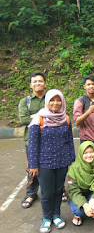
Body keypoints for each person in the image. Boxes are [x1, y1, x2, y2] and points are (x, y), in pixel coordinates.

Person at [28, 89, 75, 232]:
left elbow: (70, 141)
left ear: (62, 101)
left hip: (62, 162)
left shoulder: (65, 119)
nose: (56, 103)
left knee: (58, 190)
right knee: (47, 192)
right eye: (52, 100)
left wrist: (71, 158)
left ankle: (56, 215)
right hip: (45, 163)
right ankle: (47, 218)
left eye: (58, 100)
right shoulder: (39, 119)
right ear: (47, 102)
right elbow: (32, 144)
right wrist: (33, 165)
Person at [18, 72, 46, 209]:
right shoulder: (25, 101)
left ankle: (60, 190)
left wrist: (34, 116)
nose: (37, 83)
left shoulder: (51, 98)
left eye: (40, 81)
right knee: (32, 168)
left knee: (53, 167)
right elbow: (23, 119)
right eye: (35, 82)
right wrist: (42, 116)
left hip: (50, 139)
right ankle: (31, 193)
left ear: (45, 83)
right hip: (31, 141)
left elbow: (57, 115)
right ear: (31, 85)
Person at [67, 141, 94, 226]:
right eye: (85, 153)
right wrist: (85, 204)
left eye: (92, 152)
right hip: (78, 194)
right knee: (79, 211)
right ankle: (78, 215)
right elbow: (73, 190)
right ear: (80, 154)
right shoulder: (73, 169)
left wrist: (93, 198)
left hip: (93, 192)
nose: (89, 155)